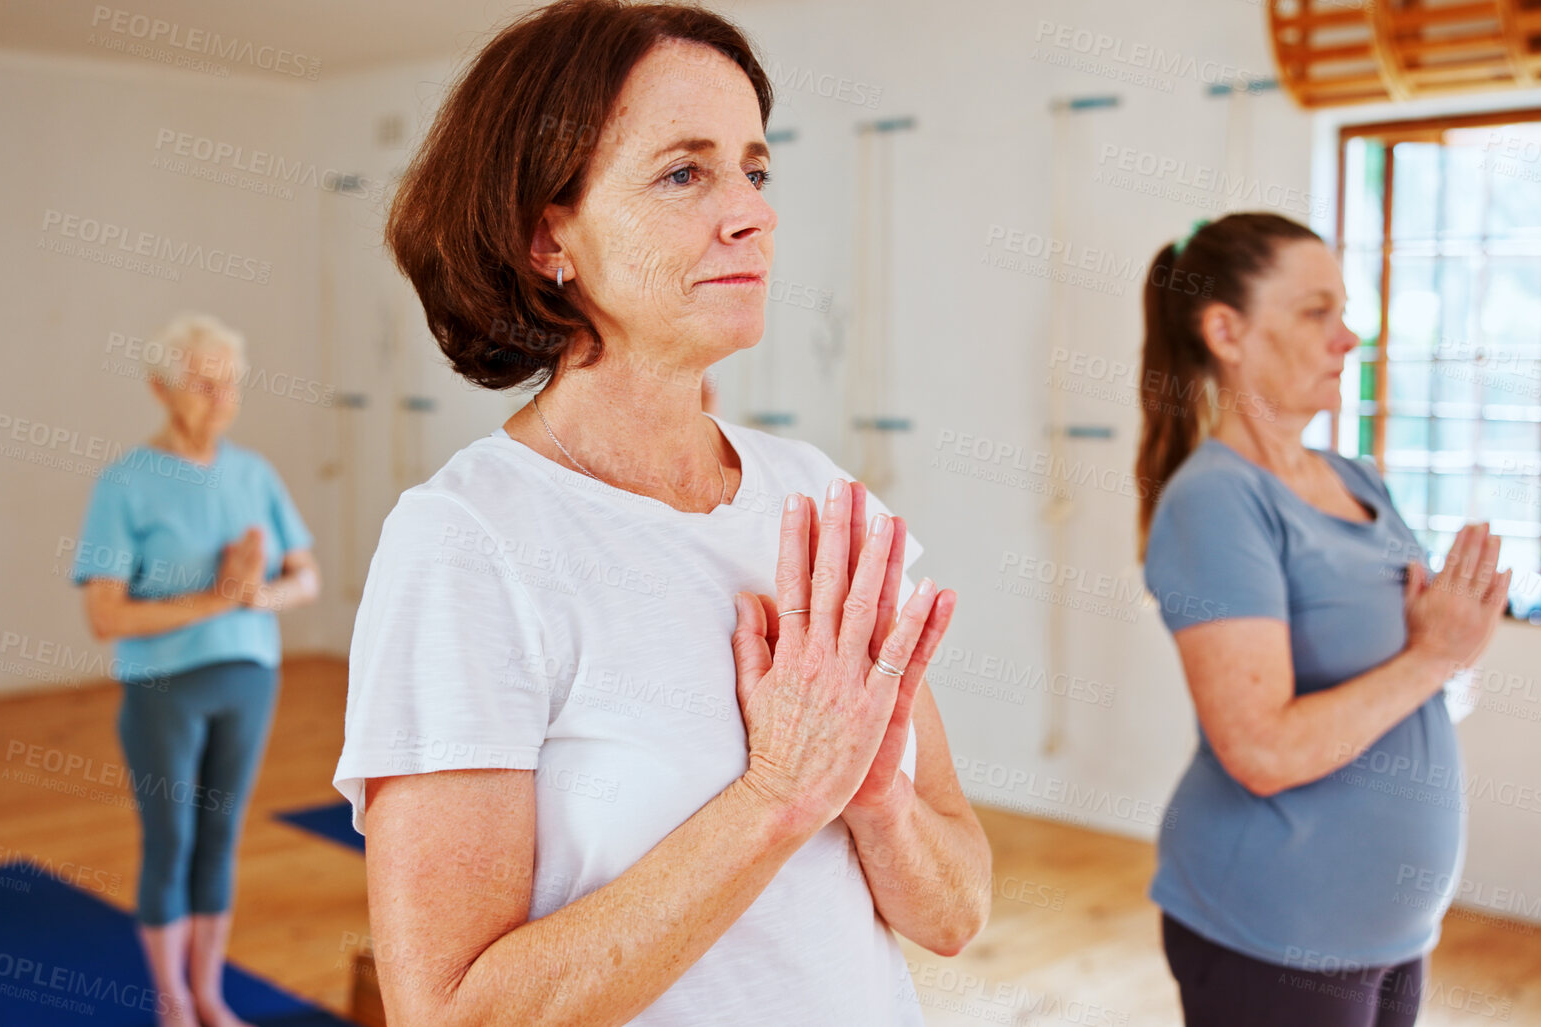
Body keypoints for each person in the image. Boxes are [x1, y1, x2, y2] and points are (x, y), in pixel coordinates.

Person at [330, 2, 993, 1024]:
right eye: (685, 173)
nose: (753, 213)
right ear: (549, 233)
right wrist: (779, 794)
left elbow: (956, 912)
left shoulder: (819, 499)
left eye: (756, 170)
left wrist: (876, 801)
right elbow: (454, 1011)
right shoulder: (468, 542)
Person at [1134, 212, 1511, 1026]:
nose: (1346, 338)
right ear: (1225, 330)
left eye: (1344, 311)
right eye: (1316, 311)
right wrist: (1432, 656)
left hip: (1391, 929)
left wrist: (1454, 648)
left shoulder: (1358, 479)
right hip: (1272, 930)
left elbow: (1428, 684)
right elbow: (1260, 750)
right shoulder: (1215, 501)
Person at [71, 312, 320, 1027]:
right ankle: (171, 1001)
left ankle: (209, 992)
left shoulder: (254, 473)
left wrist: (255, 594)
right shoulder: (125, 484)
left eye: (231, 384)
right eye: (203, 384)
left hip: (249, 679)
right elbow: (106, 615)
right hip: (163, 687)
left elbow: (304, 577)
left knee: (221, 836)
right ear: (160, 387)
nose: (221, 398)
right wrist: (214, 599)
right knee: (170, 838)